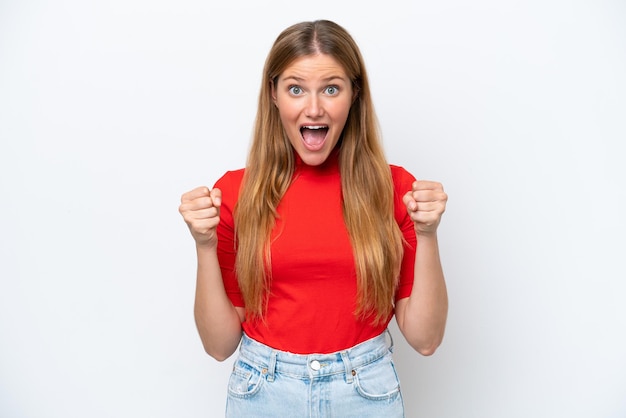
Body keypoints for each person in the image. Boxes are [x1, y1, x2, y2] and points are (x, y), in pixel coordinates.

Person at [179, 19, 448, 418]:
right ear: (273, 94)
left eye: (331, 89)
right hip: (263, 393)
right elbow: (219, 346)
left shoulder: (395, 190)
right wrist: (203, 245)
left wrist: (427, 234)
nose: (314, 107)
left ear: (354, 94)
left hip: (365, 392)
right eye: (295, 89)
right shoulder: (237, 193)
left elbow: (425, 339)